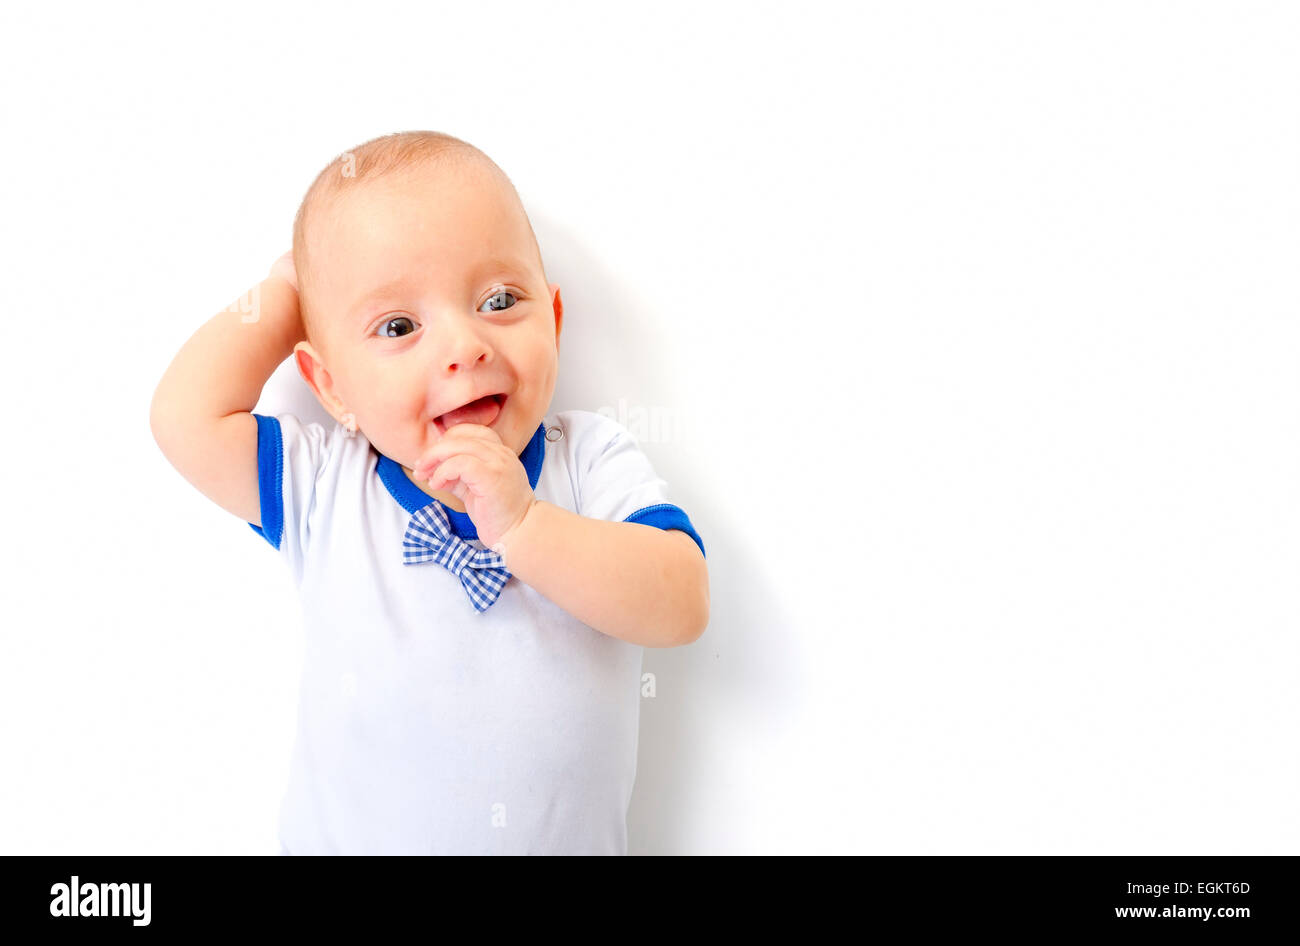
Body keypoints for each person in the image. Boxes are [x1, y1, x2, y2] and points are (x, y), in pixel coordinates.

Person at [149, 130, 709, 855]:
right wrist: (285, 292)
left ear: (556, 320)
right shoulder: (326, 486)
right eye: (399, 325)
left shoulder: (587, 461)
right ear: (330, 386)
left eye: (501, 300)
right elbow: (183, 418)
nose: (464, 346)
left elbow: (682, 602)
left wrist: (525, 525)